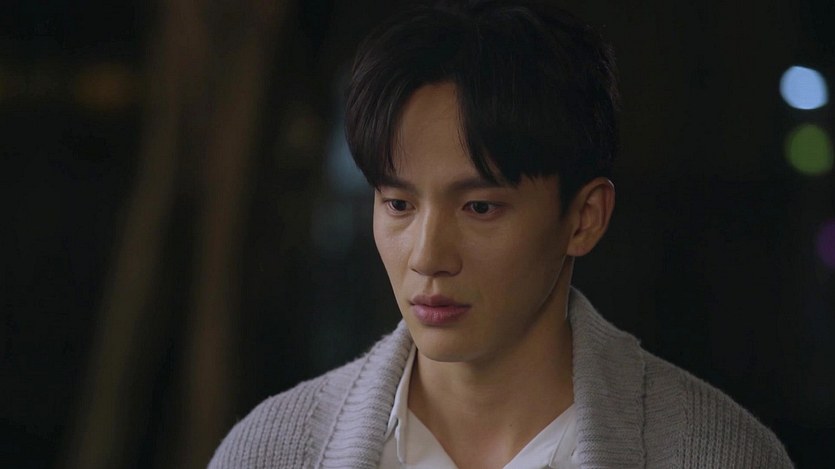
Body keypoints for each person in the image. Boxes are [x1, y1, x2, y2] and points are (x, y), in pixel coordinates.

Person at [209, 1, 793, 467]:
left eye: (480, 207)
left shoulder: (716, 453)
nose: (428, 256)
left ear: (584, 218)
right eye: (399, 204)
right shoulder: (271, 451)